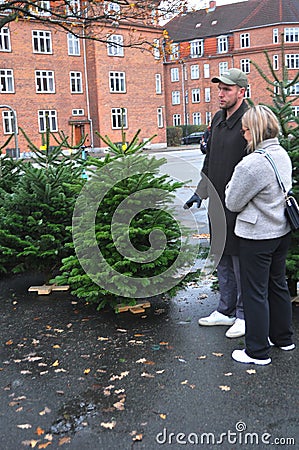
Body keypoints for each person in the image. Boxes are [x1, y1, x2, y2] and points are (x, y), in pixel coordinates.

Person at [225, 105, 295, 365]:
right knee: (277, 285)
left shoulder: (252, 164)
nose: (243, 135)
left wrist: (230, 185)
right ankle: (283, 338)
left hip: (257, 236)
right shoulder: (281, 154)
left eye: (244, 130)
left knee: (255, 292)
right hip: (281, 231)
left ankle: (256, 351)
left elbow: (232, 202)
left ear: (254, 131)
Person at [184, 68, 248, 338]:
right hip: (217, 204)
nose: (221, 94)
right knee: (221, 255)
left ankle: (245, 315)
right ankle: (225, 309)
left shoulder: (250, 120)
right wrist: (201, 191)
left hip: (241, 206)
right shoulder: (218, 119)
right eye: (219, 89)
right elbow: (209, 160)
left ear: (241, 92)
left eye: (227, 89)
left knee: (241, 260)